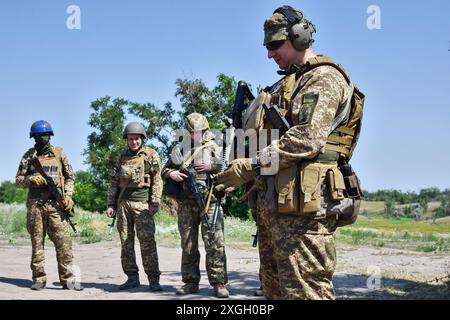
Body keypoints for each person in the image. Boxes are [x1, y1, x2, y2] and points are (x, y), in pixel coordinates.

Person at [215, 5, 363, 300]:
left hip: (306, 210)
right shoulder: (285, 84)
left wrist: (251, 166)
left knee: (307, 292)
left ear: (299, 37)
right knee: (274, 292)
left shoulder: (323, 78)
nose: (270, 54)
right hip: (277, 207)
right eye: (267, 46)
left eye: (275, 44)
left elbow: (307, 139)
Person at [162, 113, 229, 298]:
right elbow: (164, 170)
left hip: (210, 202)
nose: (198, 135)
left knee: (215, 244)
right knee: (188, 245)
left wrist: (212, 166)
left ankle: (219, 283)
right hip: (186, 203)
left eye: (202, 131)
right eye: (194, 132)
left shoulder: (214, 146)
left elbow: (228, 168)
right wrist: (171, 174)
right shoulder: (180, 149)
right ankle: (191, 282)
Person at [15, 120, 83, 291]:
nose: (43, 138)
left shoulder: (59, 154)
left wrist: (68, 196)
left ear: (50, 135)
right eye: (39, 135)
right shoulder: (28, 157)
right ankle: (39, 279)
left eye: (45, 134)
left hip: (57, 205)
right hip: (35, 205)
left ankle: (68, 279)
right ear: (34, 137)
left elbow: (69, 177)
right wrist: (30, 180)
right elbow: (18, 181)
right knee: (37, 243)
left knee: (64, 244)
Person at [106, 122, 163, 292]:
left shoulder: (151, 155)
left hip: (143, 205)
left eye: (137, 139)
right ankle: (132, 277)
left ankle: (153, 279)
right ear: (127, 140)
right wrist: (111, 204)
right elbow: (114, 182)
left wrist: (154, 202)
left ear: (142, 139)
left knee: (147, 242)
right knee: (126, 242)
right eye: (131, 139)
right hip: (123, 205)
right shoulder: (122, 157)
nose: (134, 142)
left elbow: (157, 180)